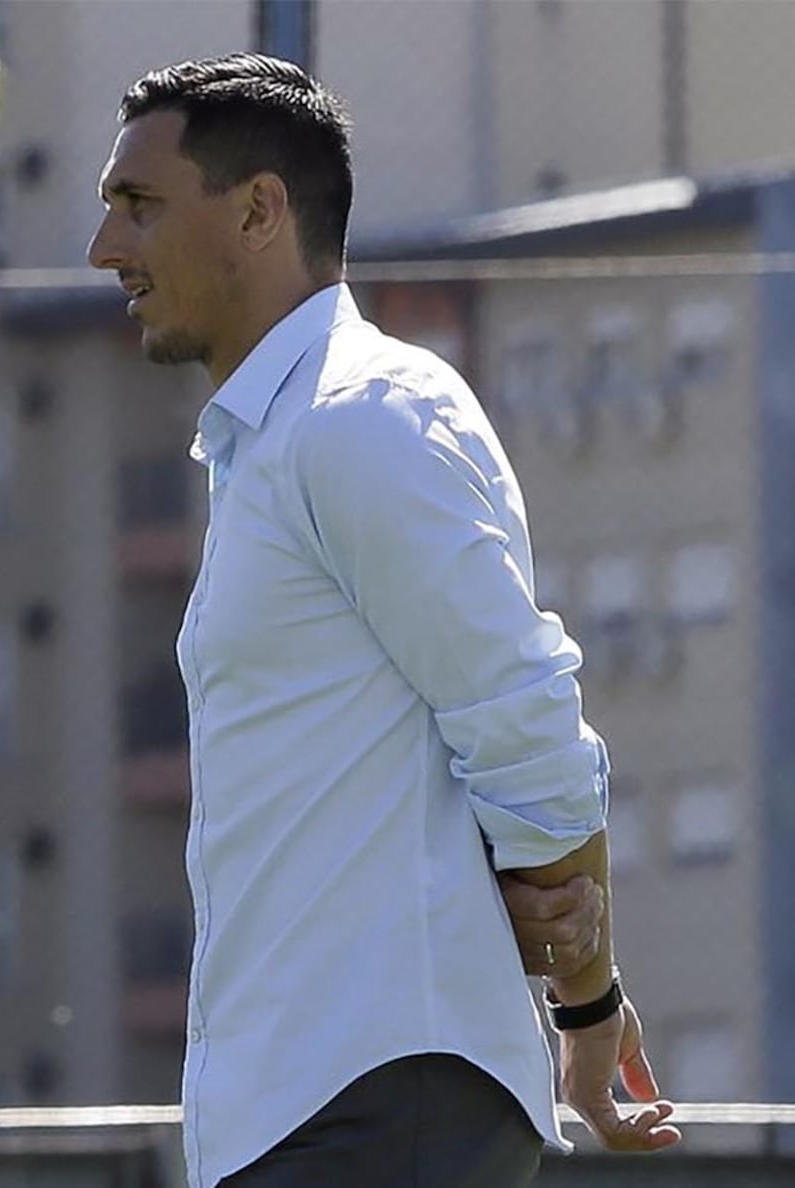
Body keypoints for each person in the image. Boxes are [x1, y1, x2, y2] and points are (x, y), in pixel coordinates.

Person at [85, 54, 680, 1187]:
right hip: (315, 1112)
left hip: (382, 1104)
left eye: (139, 205)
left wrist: (590, 1004)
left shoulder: (363, 419)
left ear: (260, 210)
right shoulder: (279, 436)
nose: (105, 249)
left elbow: (526, 723)